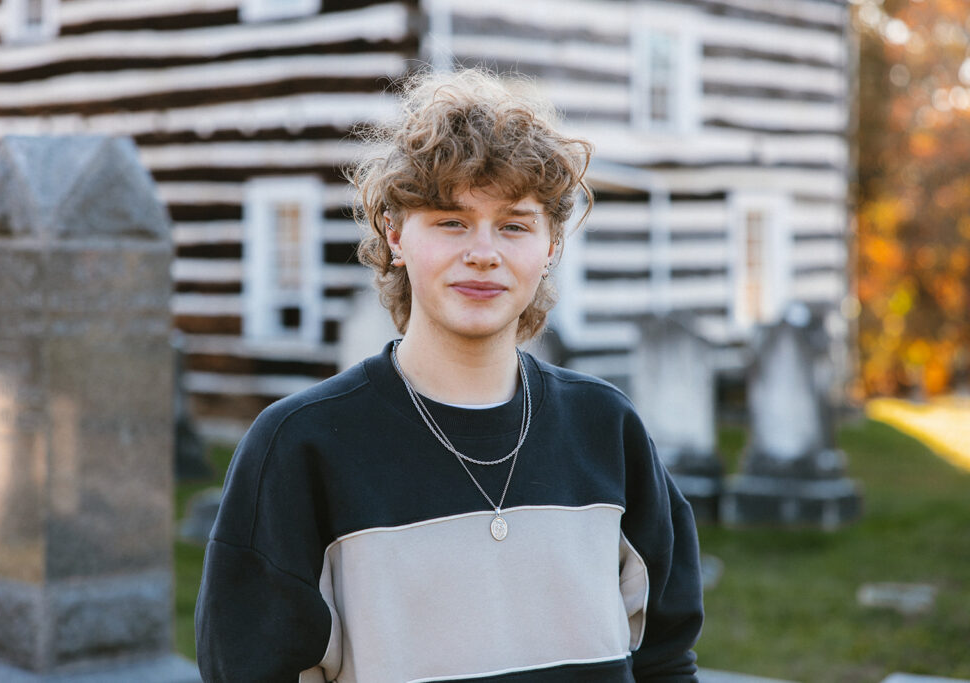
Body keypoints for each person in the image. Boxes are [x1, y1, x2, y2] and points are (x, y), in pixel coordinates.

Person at [195, 67, 703, 682]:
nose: (483, 252)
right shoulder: (301, 447)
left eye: (515, 225)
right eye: (450, 221)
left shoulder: (608, 429)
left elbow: (665, 660)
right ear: (396, 235)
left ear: (550, 248)